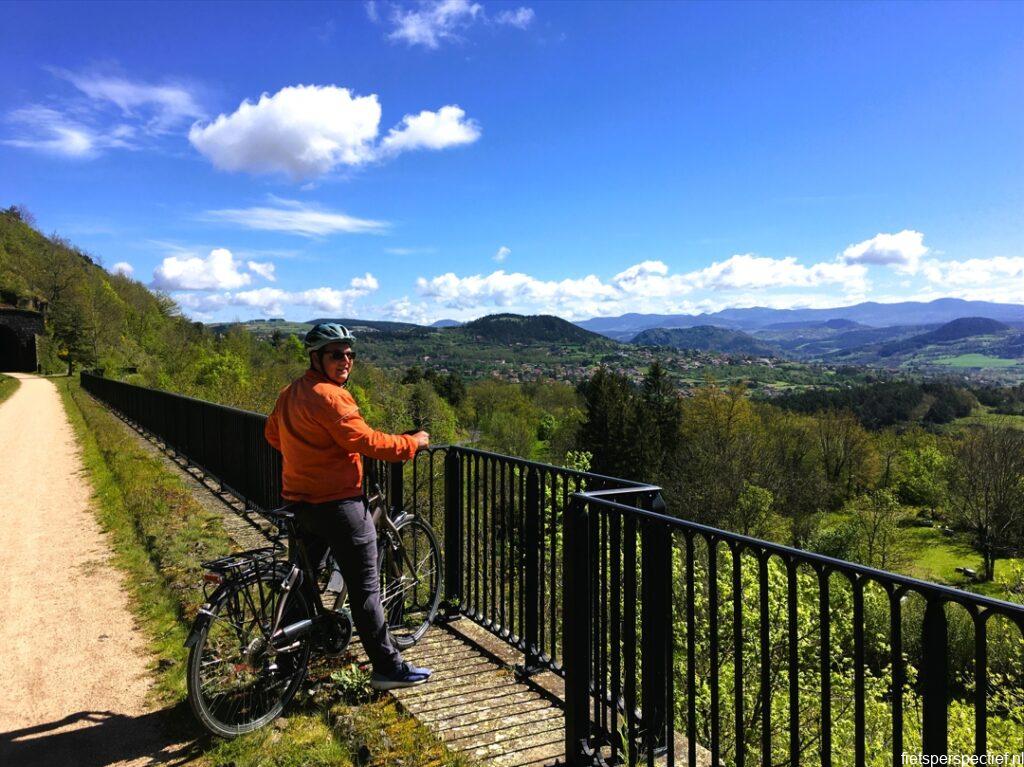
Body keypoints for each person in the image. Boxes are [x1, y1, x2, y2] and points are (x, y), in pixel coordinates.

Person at [264, 323, 433, 690]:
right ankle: (388, 667)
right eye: (336, 354)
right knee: (366, 588)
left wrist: (311, 454)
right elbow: (368, 441)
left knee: (302, 585)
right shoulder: (331, 397)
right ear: (316, 357)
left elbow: (273, 435)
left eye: (350, 354)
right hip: (338, 504)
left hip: (298, 500)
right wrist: (412, 443)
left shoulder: (290, 393)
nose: (345, 361)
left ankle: (287, 662)